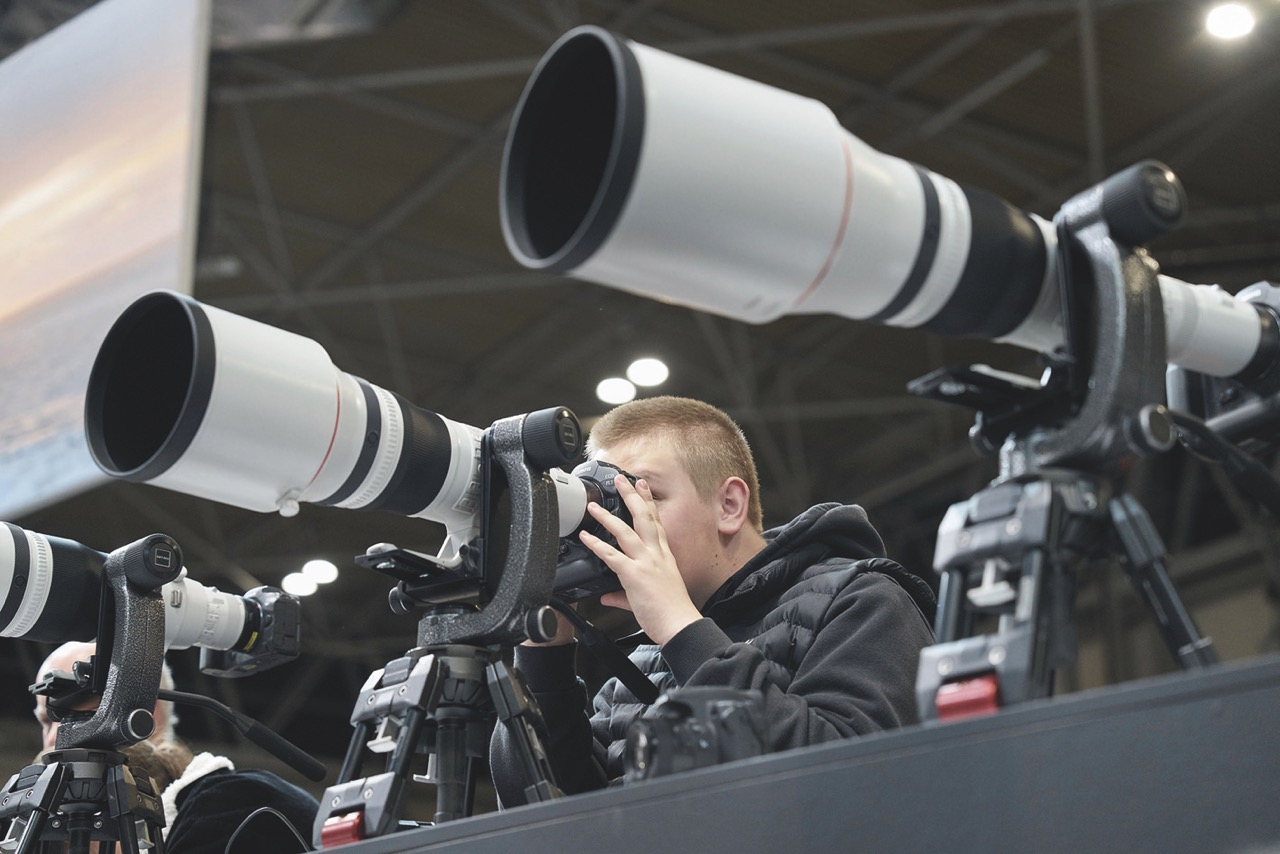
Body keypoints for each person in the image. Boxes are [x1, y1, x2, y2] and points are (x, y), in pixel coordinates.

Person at [490, 396, 936, 804]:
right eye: (603, 504)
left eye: (643, 494)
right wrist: (542, 653)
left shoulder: (863, 602)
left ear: (728, 505)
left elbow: (854, 787)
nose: (619, 522)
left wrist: (682, 631)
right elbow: (550, 818)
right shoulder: (641, 667)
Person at [32, 641, 319, 853]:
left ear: (144, 712)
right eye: (47, 721)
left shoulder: (241, 806)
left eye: (74, 715)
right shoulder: (38, 824)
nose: (55, 738)